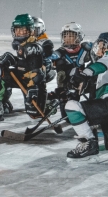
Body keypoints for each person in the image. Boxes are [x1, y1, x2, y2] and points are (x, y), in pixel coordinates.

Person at [0, 14, 56, 119]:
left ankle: (49, 103)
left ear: (31, 31)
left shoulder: (34, 46)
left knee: (34, 112)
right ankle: (1, 102)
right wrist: (10, 59)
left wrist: (32, 88)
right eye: (18, 30)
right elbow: (24, 62)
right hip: (24, 74)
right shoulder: (22, 44)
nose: (20, 33)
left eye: (24, 30)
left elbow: (37, 71)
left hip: (34, 79)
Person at [64, 32, 108, 161]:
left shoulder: (102, 63)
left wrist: (85, 73)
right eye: (99, 46)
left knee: (72, 107)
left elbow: (101, 64)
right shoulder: (101, 75)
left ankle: (89, 143)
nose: (100, 50)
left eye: (103, 46)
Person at [48, 22, 94, 121]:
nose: (67, 38)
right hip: (67, 86)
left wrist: (94, 49)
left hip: (83, 81)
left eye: (71, 36)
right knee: (68, 118)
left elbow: (98, 56)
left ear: (79, 36)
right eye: (65, 36)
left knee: (95, 82)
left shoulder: (85, 50)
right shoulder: (59, 53)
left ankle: (94, 108)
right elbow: (48, 63)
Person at [32, 16, 56, 83]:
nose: (32, 33)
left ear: (41, 29)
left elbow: (48, 55)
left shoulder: (45, 42)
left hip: (43, 70)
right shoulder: (27, 42)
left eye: (34, 30)